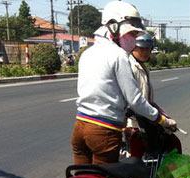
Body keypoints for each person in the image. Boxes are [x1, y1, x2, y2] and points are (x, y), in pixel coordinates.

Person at [71, 0, 177, 168]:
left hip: (80, 127)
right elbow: (135, 100)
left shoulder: (87, 54)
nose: (134, 40)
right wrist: (161, 119)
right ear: (113, 27)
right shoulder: (119, 55)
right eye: (131, 34)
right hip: (103, 131)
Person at [126, 33, 182, 156]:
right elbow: (137, 102)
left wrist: (164, 116)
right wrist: (163, 121)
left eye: (148, 48)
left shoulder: (141, 66)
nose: (145, 52)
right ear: (133, 47)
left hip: (145, 119)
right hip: (135, 123)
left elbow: (148, 101)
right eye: (141, 48)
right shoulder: (131, 67)